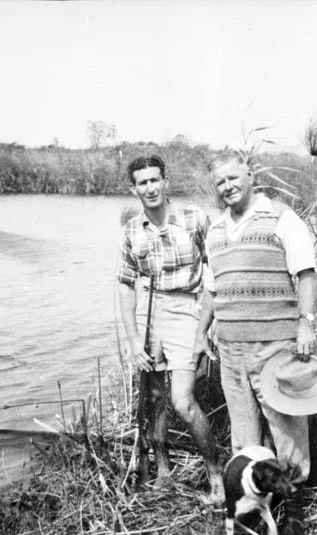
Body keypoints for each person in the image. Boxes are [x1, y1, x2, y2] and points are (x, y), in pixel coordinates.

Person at [193, 151, 317, 535]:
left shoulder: (281, 218)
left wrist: (305, 324)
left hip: (275, 346)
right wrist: (201, 333)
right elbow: (211, 289)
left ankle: (295, 512)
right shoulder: (214, 230)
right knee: (244, 435)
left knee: (286, 430)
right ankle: (253, 507)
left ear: (250, 174)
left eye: (233, 177)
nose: (227, 186)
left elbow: (306, 273)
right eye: (220, 182)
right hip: (230, 348)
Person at [117, 154, 224, 504]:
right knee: (155, 397)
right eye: (142, 183)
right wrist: (134, 340)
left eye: (154, 180)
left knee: (181, 400)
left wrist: (205, 326)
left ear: (166, 182)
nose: (149, 188)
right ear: (133, 189)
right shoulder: (132, 230)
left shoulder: (194, 219)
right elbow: (126, 284)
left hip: (186, 308)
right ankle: (162, 469)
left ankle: (216, 474)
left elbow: (214, 271)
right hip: (150, 309)